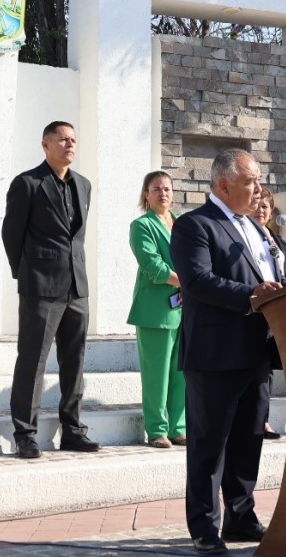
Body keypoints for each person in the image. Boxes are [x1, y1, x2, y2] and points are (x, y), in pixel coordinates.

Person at [170, 149, 286, 555]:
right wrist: (252, 295)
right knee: (210, 445)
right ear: (224, 184)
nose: (258, 189)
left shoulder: (255, 229)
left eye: (257, 181)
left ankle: (241, 515)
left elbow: (273, 275)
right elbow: (198, 282)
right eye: (251, 181)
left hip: (256, 351)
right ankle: (205, 526)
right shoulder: (194, 225)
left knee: (247, 440)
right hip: (215, 354)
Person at [1, 121, 101, 459]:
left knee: (75, 361)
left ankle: (73, 430)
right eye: (62, 139)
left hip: (77, 285)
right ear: (46, 144)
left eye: (74, 139)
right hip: (41, 286)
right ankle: (25, 433)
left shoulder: (84, 185)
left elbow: (77, 238)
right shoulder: (28, 184)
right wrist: (28, 274)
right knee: (33, 360)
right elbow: (11, 235)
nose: (70, 144)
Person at [127, 170, 186, 449]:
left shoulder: (181, 225)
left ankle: (178, 428)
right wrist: (188, 282)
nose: (163, 193)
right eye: (156, 189)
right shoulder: (141, 226)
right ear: (146, 195)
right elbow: (153, 266)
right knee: (157, 375)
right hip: (156, 310)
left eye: (167, 188)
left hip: (184, 309)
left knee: (181, 373)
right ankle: (157, 429)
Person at [253, 188, 286, 439]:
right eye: (258, 205)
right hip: (256, 309)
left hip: (277, 312)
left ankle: (263, 420)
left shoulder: (279, 242)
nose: (261, 210)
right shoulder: (248, 236)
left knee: (267, 370)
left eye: (266, 207)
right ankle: (256, 421)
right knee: (257, 369)